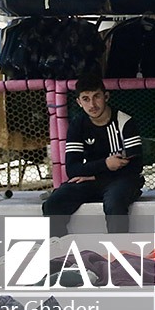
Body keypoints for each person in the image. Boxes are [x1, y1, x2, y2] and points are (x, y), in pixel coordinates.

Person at [43, 74, 143, 238]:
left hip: (122, 180)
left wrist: (95, 174)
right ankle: (59, 249)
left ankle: (119, 251)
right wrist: (105, 165)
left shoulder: (125, 122)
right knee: (53, 203)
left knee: (114, 203)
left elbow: (135, 166)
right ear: (79, 102)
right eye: (86, 99)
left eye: (96, 97)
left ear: (106, 97)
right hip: (93, 180)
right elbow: (72, 169)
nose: (92, 104)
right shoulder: (77, 125)